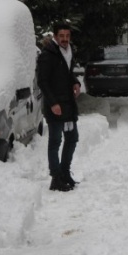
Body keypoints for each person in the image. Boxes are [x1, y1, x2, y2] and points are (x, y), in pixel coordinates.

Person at [37, 23, 81, 192]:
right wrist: (53, 103)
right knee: (55, 141)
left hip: (68, 103)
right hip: (54, 104)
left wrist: (75, 82)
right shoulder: (47, 55)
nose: (64, 39)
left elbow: (67, 73)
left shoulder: (69, 52)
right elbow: (43, 81)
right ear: (55, 37)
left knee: (72, 138)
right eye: (61, 36)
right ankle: (55, 178)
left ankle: (64, 172)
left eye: (67, 36)